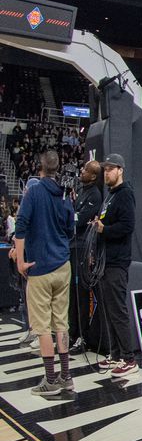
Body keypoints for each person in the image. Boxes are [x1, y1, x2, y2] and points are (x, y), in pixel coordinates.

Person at [14, 150, 75, 398]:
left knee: (42, 328)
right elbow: (71, 229)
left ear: (40, 168)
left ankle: (50, 380)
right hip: (63, 265)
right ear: (57, 168)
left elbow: (20, 226)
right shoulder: (63, 194)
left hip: (40, 267)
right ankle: (66, 376)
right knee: (61, 323)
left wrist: (20, 260)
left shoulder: (35, 192)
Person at [93, 154, 140, 376]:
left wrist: (105, 230)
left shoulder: (125, 194)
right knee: (108, 309)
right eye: (105, 170)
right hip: (105, 260)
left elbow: (128, 226)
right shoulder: (110, 195)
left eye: (110, 169)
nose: (106, 173)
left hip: (117, 261)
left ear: (120, 170)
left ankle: (129, 358)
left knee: (118, 310)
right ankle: (115, 354)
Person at [68, 159, 102, 355]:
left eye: (85, 170)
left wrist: (71, 215)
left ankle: (82, 335)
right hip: (72, 245)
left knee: (81, 293)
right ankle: (72, 332)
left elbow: (78, 220)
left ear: (93, 176)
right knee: (72, 293)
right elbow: (73, 215)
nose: (81, 172)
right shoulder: (81, 191)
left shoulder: (95, 195)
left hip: (83, 248)